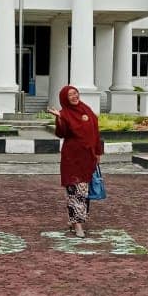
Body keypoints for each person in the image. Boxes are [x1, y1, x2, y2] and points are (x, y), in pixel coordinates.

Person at [47, 85, 103, 237]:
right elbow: (62, 133)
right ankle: (78, 226)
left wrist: (98, 152)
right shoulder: (65, 113)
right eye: (70, 94)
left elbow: (95, 133)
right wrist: (59, 118)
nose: (74, 96)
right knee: (76, 192)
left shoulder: (87, 110)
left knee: (84, 193)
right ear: (65, 98)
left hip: (88, 158)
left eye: (75, 93)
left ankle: (74, 221)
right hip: (72, 159)